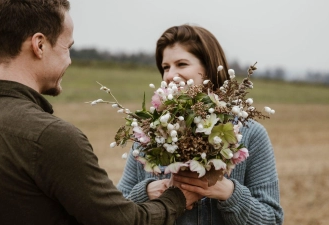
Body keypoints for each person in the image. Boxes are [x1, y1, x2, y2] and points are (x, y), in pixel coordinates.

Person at [0, 1, 200, 225]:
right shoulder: (49, 137)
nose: (69, 60)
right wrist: (177, 197)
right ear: (39, 45)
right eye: (67, 48)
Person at [117, 25, 284, 225]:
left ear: (208, 68)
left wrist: (230, 193)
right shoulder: (149, 134)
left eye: (181, 64)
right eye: (166, 67)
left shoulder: (251, 135)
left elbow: (272, 220)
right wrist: (145, 192)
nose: (170, 75)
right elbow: (116, 214)